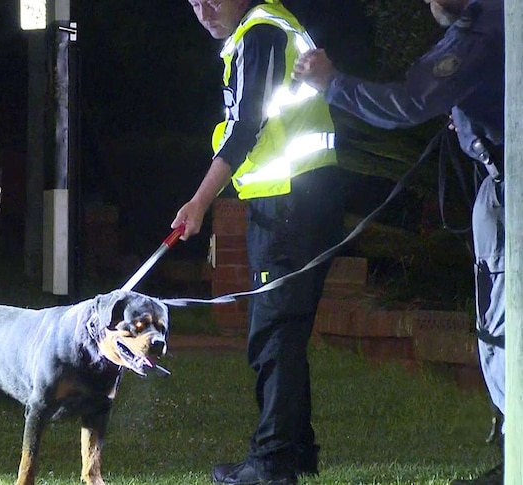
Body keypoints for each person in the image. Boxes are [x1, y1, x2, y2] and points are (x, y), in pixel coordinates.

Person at [293, 0, 504, 484]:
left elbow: (407, 102)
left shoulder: (483, 26)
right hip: (498, 182)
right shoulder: (496, 21)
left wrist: (331, 82)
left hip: (508, 192)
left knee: (502, 322)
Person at [173, 1, 347, 483]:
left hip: (291, 205)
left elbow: (247, 126)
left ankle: (272, 463)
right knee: (283, 332)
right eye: (193, 2)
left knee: (273, 333)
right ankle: (291, 453)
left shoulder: (262, 33)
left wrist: (200, 201)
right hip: (296, 200)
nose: (204, 10)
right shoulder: (263, 30)